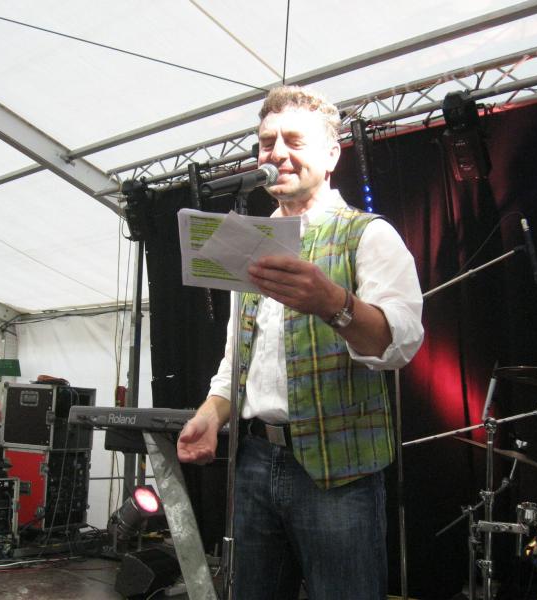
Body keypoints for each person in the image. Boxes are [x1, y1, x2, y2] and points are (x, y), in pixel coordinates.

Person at [177, 85, 424, 599]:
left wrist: (334, 303)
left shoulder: (367, 234)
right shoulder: (247, 240)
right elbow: (237, 357)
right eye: (267, 143)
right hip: (255, 462)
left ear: (331, 155)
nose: (278, 154)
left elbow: (401, 344)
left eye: (294, 140)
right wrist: (211, 413)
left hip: (340, 471)